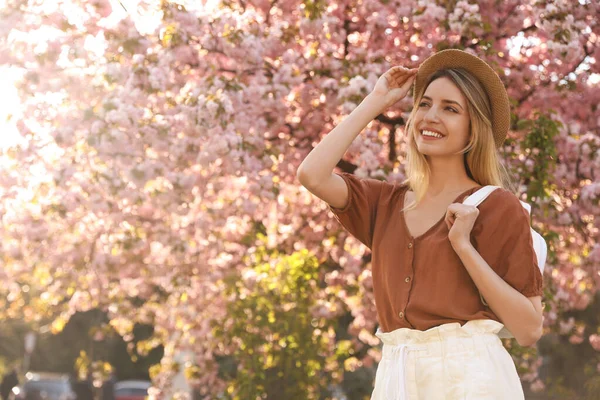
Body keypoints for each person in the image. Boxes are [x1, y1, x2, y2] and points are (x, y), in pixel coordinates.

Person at [296, 49, 544, 399]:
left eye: (450, 109)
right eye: (424, 104)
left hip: (471, 381)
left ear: (475, 127)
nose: (431, 116)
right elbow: (311, 174)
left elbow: (529, 328)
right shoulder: (385, 203)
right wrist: (376, 101)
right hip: (396, 377)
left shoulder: (497, 207)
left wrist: (464, 247)